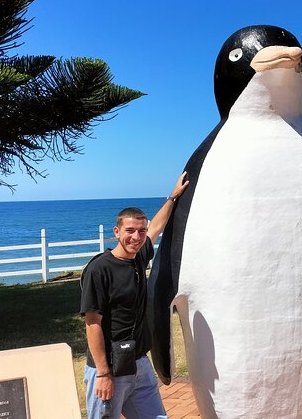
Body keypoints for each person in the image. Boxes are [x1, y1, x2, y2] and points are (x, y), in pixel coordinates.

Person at [80, 172, 189, 419]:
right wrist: (103, 373)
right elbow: (92, 324)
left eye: (141, 231)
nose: (137, 237)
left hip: (139, 362)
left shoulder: (139, 256)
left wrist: (173, 196)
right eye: (130, 231)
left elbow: (157, 227)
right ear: (116, 231)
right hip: (110, 367)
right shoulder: (99, 270)